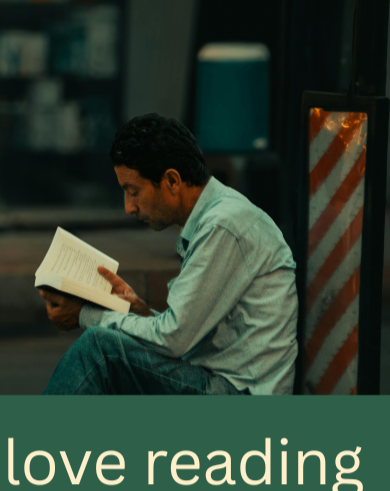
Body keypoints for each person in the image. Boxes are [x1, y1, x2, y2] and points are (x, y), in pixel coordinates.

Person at [39, 113, 297, 396]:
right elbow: (188, 331)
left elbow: (174, 339)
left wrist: (86, 315)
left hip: (236, 392)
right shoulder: (217, 219)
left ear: (172, 181)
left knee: (99, 348)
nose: (129, 207)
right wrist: (141, 313)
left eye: (133, 191)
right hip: (218, 380)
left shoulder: (224, 225)